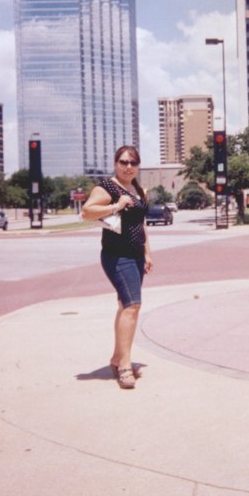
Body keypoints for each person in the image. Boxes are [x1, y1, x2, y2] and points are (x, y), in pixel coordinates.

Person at [81, 146, 153, 389]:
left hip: (136, 256)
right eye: (123, 162)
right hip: (116, 255)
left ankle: (116, 357)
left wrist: (147, 253)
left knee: (125, 305)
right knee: (133, 306)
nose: (128, 166)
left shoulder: (139, 189)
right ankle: (124, 366)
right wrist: (116, 205)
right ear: (115, 163)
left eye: (133, 162)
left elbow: (141, 224)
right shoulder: (107, 187)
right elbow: (87, 211)